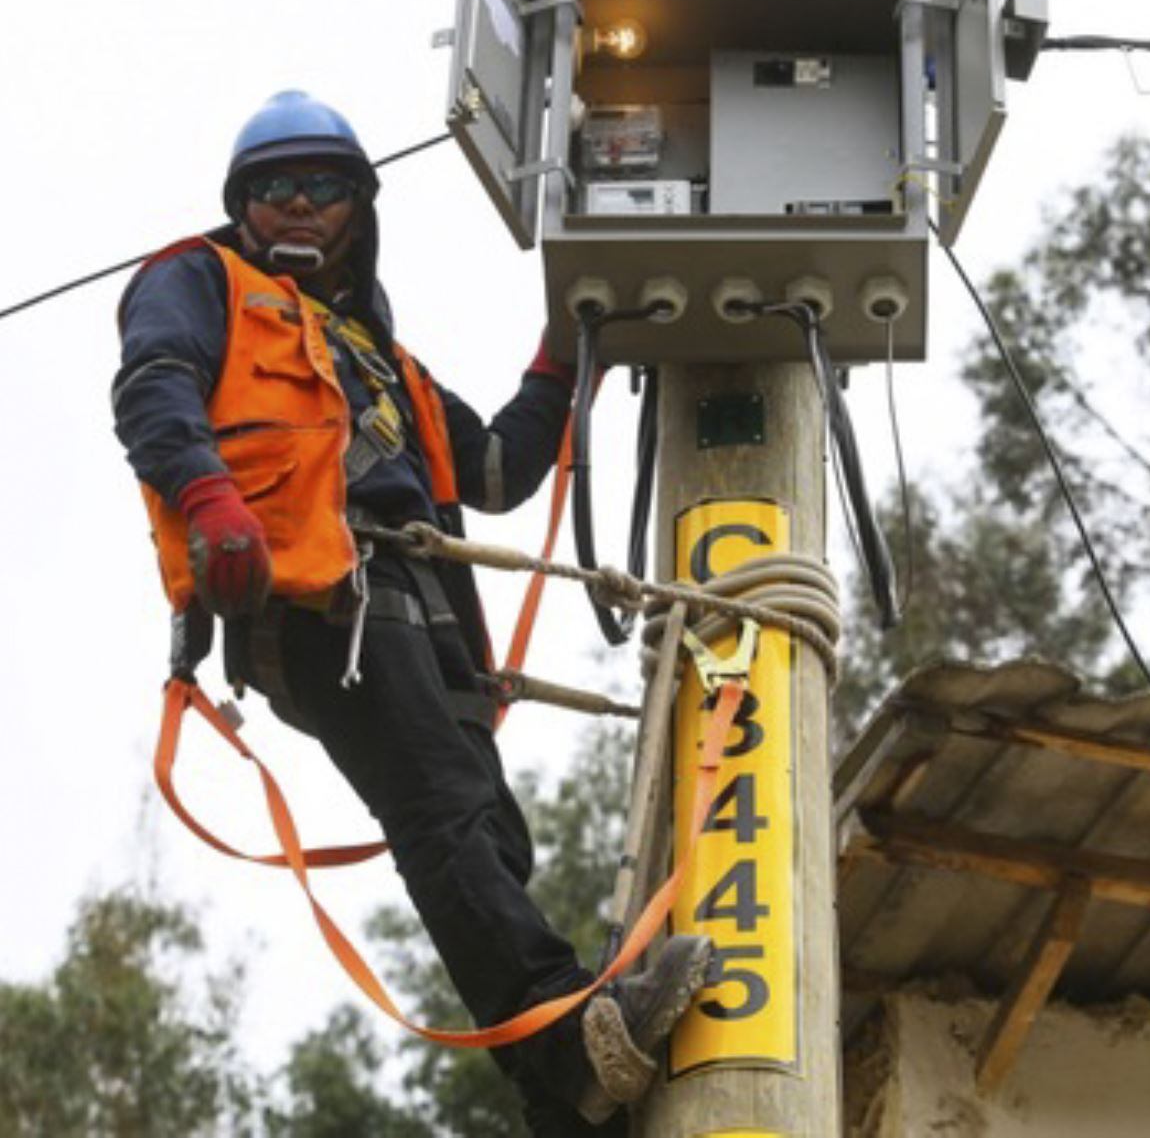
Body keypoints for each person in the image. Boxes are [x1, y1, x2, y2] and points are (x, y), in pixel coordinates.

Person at [111, 90, 710, 1135]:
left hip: (421, 599)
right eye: (274, 188)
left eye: (324, 188)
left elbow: (493, 467)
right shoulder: (196, 279)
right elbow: (154, 385)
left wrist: (565, 351)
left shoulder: (381, 360)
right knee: (440, 809)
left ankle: (566, 1099)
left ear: (359, 209)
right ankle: (572, 1035)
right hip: (314, 592)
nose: (298, 206)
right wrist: (210, 500)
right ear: (242, 204)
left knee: (486, 828)